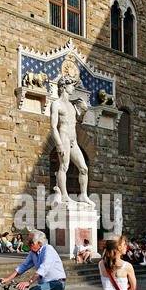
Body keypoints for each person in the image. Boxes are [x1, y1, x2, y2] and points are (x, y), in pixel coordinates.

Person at [50, 76, 94, 206]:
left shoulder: (71, 105)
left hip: (73, 140)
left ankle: (84, 196)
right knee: (64, 166)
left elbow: (79, 120)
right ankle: (64, 195)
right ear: (64, 87)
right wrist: (58, 144)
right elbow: (53, 126)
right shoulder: (56, 104)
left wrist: (84, 110)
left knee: (84, 168)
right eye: (71, 85)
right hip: (63, 138)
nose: (73, 88)